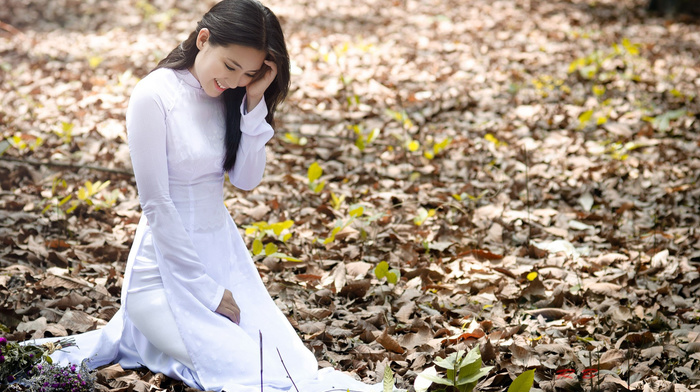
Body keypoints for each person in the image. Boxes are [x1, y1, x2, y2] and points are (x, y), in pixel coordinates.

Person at [32, 1, 385, 391]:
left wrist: (254, 103)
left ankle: (154, 345)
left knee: (290, 367)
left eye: (249, 72)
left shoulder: (232, 97)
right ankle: (148, 336)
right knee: (250, 373)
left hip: (224, 262)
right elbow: (156, 204)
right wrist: (208, 292)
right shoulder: (153, 95)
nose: (235, 80)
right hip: (163, 278)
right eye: (231, 66)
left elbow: (247, 180)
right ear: (203, 39)